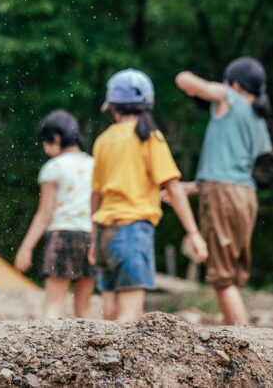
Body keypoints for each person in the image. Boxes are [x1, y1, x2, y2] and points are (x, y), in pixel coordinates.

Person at [89, 68, 208, 322]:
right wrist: (194, 233)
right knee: (129, 314)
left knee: (108, 312)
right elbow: (173, 188)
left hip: (104, 233)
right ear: (148, 105)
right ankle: (119, 362)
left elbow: (96, 195)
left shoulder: (103, 140)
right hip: (132, 232)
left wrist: (92, 237)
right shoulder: (150, 137)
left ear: (114, 108)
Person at [171, 57, 272, 326]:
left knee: (221, 277)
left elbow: (183, 78)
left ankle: (242, 338)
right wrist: (189, 188)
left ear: (235, 85)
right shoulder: (257, 118)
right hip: (245, 195)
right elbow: (230, 168)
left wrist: (204, 88)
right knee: (230, 274)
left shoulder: (232, 98)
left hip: (223, 195)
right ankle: (237, 331)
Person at [14, 110, 97, 319]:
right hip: (91, 236)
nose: (45, 147)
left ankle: (48, 350)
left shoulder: (53, 168)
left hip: (62, 237)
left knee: (53, 305)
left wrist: (26, 247)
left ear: (57, 138)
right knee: (84, 308)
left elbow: (44, 213)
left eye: (46, 141)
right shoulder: (94, 165)